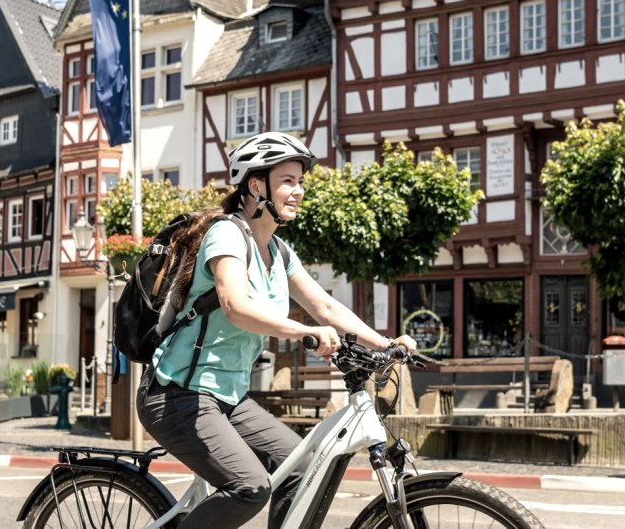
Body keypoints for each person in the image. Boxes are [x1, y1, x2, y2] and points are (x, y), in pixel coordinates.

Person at [136, 132, 417, 529]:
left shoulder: (280, 252)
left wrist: (387, 343)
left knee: (301, 468)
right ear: (256, 185)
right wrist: (304, 331)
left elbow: (325, 305)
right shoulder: (227, 235)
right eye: (288, 180)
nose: (298, 190)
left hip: (227, 396)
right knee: (249, 486)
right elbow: (235, 306)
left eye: (300, 182)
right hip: (177, 395)